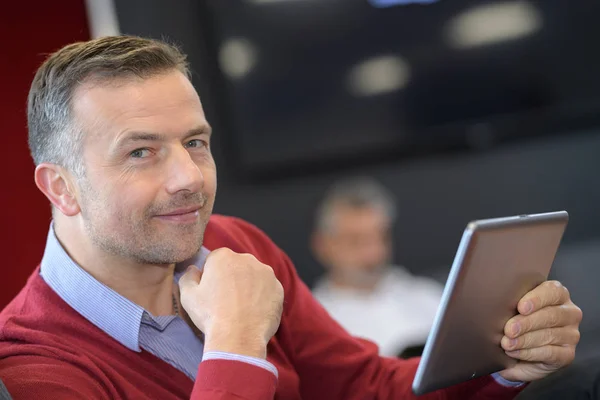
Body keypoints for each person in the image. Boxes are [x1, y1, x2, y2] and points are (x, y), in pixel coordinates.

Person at [0, 35, 582, 400]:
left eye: (196, 142)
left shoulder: (235, 243)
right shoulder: (33, 366)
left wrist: (503, 362)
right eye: (141, 152)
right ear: (62, 187)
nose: (190, 178)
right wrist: (236, 341)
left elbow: (366, 388)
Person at [311, 177, 444, 357]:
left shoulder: (429, 296)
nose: (372, 254)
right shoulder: (314, 322)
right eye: (355, 241)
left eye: (380, 237)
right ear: (323, 245)